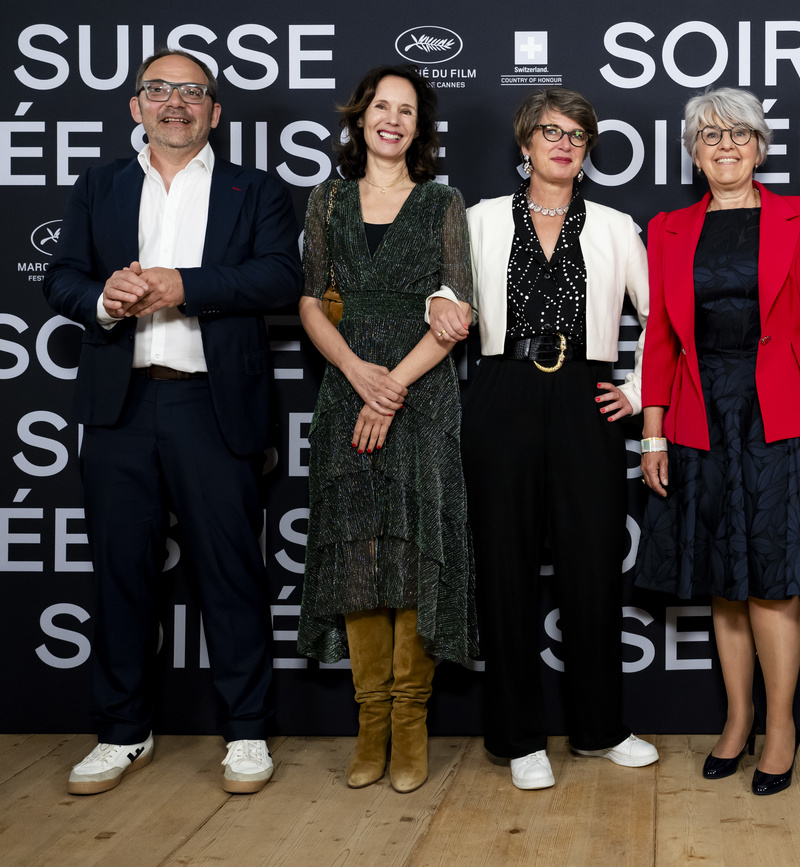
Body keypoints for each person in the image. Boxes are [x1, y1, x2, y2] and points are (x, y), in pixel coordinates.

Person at [44, 50, 300, 795]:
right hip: (120, 407)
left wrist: (183, 285)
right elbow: (61, 276)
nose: (175, 104)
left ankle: (246, 729)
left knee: (232, 573)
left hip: (211, 404)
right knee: (121, 573)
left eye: (191, 93)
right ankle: (122, 731)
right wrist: (104, 296)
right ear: (136, 107)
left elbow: (281, 275)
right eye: (159, 91)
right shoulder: (100, 185)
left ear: (215, 111)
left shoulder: (256, 188)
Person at [637, 87, 800, 797]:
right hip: (698, 412)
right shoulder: (669, 228)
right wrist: (651, 430)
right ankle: (736, 720)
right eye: (710, 136)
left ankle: (780, 726)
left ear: (762, 146)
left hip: (784, 411)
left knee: (774, 581)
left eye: (740, 133)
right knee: (724, 580)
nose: (726, 145)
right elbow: (661, 337)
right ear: (693, 151)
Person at [429, 87, 658, 791]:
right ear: (525, 146)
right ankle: (518, 736)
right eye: (550, 132)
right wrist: (439, 300)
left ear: (587, 152)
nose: (563, 144)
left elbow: (662, 320)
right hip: (501, 390)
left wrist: (641, 391)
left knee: (593, 564)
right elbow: (441, 296)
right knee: (506, 567)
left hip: (588, 396)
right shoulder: (477, 219)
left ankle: (600, 727)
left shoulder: (619, 226)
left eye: (577, 136)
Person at [295, 66, 476, 795]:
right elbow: (311, 302)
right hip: (346, 391)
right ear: (360, 117)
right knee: (359, 556)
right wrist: (355, 373)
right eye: (381, 107)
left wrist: (391, 384)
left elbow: (457, 308)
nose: (392, 120)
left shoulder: (441, 202)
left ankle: (410, 723)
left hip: (421, 394)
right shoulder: (327, 198)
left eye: (406, 110)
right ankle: (369, 723)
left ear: (418, 126)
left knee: (414, 552)